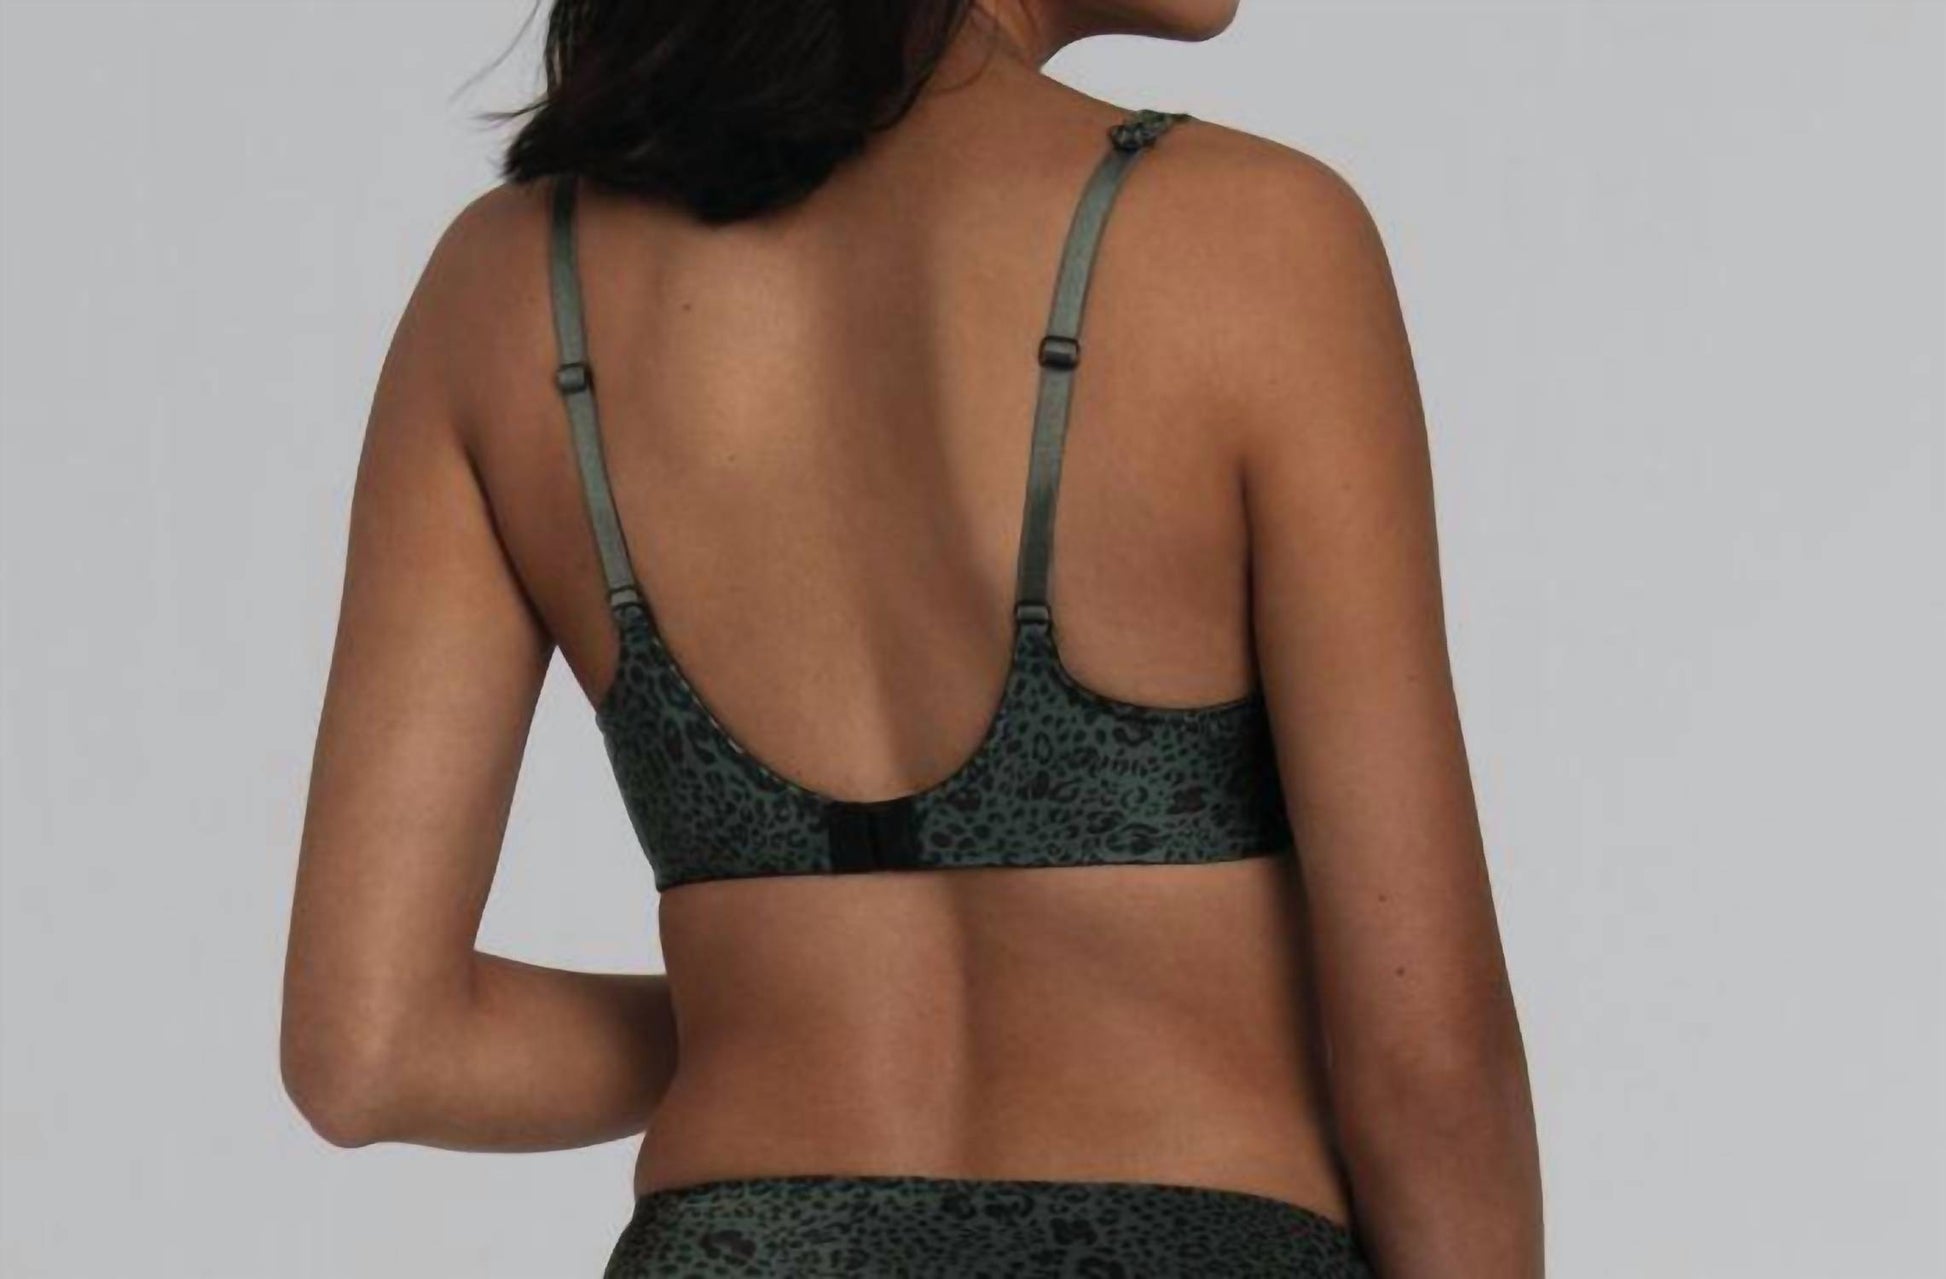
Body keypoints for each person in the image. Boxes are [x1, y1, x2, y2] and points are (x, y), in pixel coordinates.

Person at [280, 2, 1544, 1274]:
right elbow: (1427, 1068)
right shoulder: (1254, 240)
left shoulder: (510, 287)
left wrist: (770, 1014)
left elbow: (372, 1050)